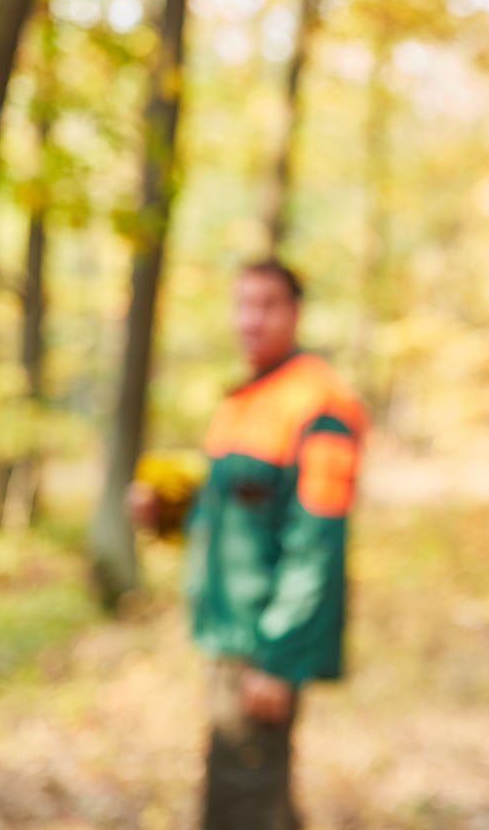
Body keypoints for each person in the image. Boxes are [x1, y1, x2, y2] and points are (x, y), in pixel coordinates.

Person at [130, 257, 366, 830]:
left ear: (295, 312)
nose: (251, 320)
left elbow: (317, 542)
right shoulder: (243, 400)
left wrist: (278, 662)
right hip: (227, 632)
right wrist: (165, 514)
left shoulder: (320, 404)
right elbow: (234, 516)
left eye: (268, 305)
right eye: (242, 305)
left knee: (241, 803)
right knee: (255, 798)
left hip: (262, 643)